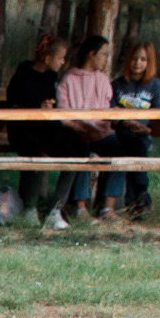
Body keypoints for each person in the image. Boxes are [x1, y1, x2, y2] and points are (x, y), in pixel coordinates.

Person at [4, 34, 85, 228]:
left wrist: (48, 106)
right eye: (60, 58)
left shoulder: (51, 76)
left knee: (77, 152)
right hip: (22, 129)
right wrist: (36, 106)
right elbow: (13, 102)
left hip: (45, 129)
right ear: (48, 58)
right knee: (36, 154)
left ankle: (55, 209)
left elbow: (50, 101)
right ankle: (30, 209)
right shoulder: (23, 73)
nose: (63, 62)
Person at [51, 34, 119, 222]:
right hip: (77, 132)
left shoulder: (103, 79)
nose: (106, 59)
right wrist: (79, 127)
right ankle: (80, 208)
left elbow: (106, 110)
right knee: (80, 150)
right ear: (91, 54)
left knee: (119, 149)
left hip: (101, 131)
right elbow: (63, 113)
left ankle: (108, 207)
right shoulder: (69, 79)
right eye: (103, 54)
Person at [107, 41, 160, 218]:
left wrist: (146, 129)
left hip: (143, 134)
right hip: (120, 132)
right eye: (134, 59)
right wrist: (125, 120)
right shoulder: (118, 84)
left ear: (149, 62)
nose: (138, 63)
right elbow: (110, 112)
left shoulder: (155, 86)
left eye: (143, 59)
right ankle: (140, 195)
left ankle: (136, 200)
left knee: (137, 143)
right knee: (131, 143)